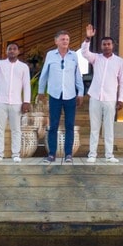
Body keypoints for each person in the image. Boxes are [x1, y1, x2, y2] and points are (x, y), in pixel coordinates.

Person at [79, 24, 123, 162]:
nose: (106, 46)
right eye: (104, 44)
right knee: (94, 127)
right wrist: (88, 38)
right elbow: (84, 53)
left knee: (109, 128)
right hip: (95, 97)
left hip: (110, 98)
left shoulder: (119, 62)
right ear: (101, 46)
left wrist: (121, 99)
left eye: (108, 44)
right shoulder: (96, 58)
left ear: (113, 46)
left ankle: (109, 155)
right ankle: (92, 154)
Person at [37, 29, 83, 163]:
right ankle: (52, 154)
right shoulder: (51, 55)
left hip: (70, 95)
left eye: (67, 40)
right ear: (56, 41)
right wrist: (41, 91)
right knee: (53, 125)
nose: (65, 42)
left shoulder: (73, 55)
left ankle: (68, 154)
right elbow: (44, 74)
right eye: (62, 39)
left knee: (69, 125)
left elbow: (77, 75)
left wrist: (80, 93)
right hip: (55, 94)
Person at [0, 41, 31, 161]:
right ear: (6, 51)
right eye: (10, 49)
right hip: (1, 101)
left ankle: (15, 154)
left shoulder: (23, 67)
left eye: (14, 49)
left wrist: (26, 101)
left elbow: (26, 85)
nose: (12, 51)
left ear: (18, 52)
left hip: (16, 103)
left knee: (16, 130)